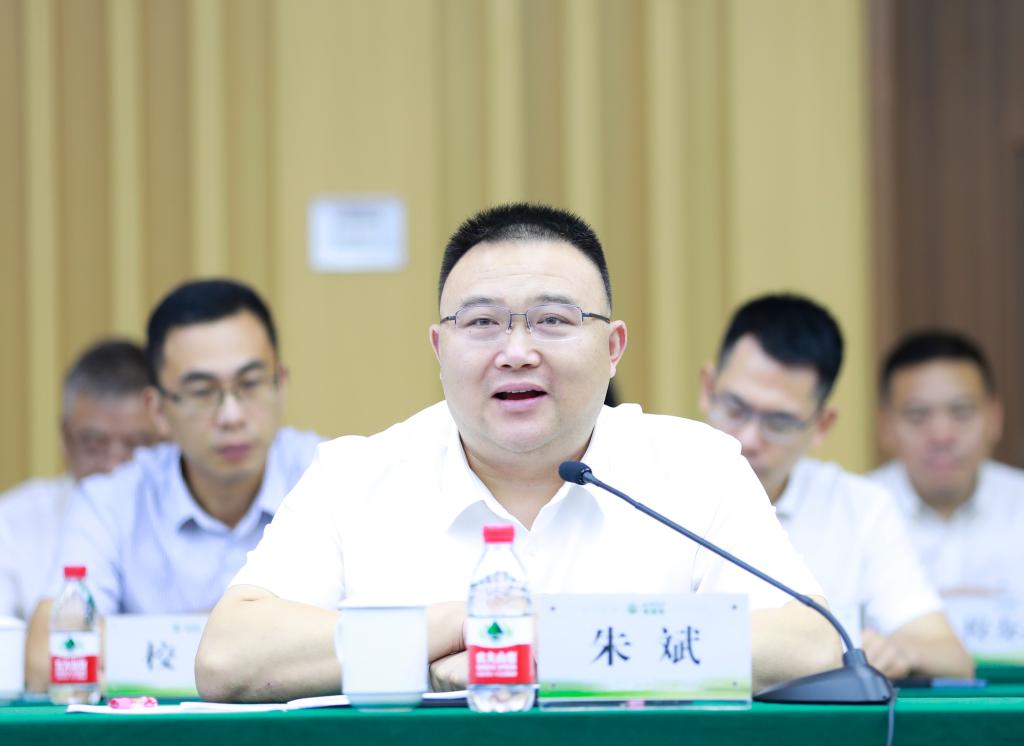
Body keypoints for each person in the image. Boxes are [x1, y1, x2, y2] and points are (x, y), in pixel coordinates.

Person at [196, 203, 840, 704]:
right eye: (482, 323)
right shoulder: (354, 476)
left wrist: (543, 645)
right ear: (439, 349)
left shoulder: (697, 466)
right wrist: (468, 628)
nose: (516, 352)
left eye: (553, 320)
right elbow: (228, 659)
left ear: (613, 347)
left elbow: (810, 645)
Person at [25, 279, 321, 691]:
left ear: (281, 384)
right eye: (202, 392)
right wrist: (259, 645)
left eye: (251, 383)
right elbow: (49, 656)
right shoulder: (111, 501)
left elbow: (376, 633)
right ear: (158, 410)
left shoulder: (330, 476)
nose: (232, 415)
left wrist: (142, 647)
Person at [698, 294, 972, 680]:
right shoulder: (645, 486)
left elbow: (953, 657)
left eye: (779, 422)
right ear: (707, 388)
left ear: (822, 425)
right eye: (735, 408)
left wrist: (898, 651)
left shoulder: (860, 508)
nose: (749, 438)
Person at [0, 340, 157, 621]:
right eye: (94, 444)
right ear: (65, 438)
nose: (113, 466)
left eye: (136, 445)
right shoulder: (12, 522)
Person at [870, 330, 1024, 597]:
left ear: (995, 418)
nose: (941, 436)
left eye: (961, 412)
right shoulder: (854, 514)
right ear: (886, 426)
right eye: (917, 415)